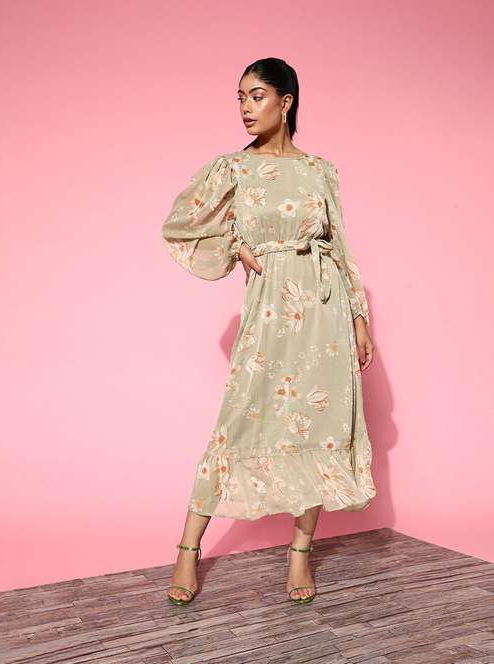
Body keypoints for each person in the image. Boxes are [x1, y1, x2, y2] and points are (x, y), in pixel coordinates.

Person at [160, 57, 376, 606]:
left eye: (256, 96)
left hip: (325, 311)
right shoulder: (233, 168)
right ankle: (187, 549)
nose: (245, 108)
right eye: (239, 98)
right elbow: (181, 225)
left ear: (286, 101)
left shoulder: (320, 170)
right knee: (237, 421)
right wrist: (236, 246)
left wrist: (358, 318)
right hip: (271, 312)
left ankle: (300, 551)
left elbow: (341, 246)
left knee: (321, 427)